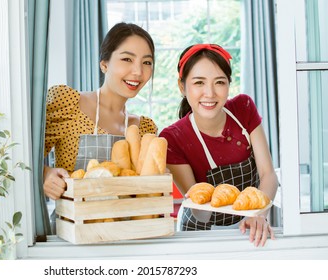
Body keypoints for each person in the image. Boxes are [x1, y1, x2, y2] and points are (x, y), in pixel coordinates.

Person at [159, 43, 279, 247]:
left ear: (229, 85)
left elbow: (268, 175)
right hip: (202, 231)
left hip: (253, 225)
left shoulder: (243, 109)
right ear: (182, 86)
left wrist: (258, 214)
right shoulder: (173, 138)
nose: (210, 93)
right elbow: (199, 209)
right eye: (199, 83)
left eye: (219, 82)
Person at [43, 22, 158, 201]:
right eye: (127, 59)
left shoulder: (144, 128)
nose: (138, 71)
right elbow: (22, 160)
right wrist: (45, 174)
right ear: (104, 64)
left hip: (129, 227)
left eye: (147, 62)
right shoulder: (67, 104)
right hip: (75, 225)